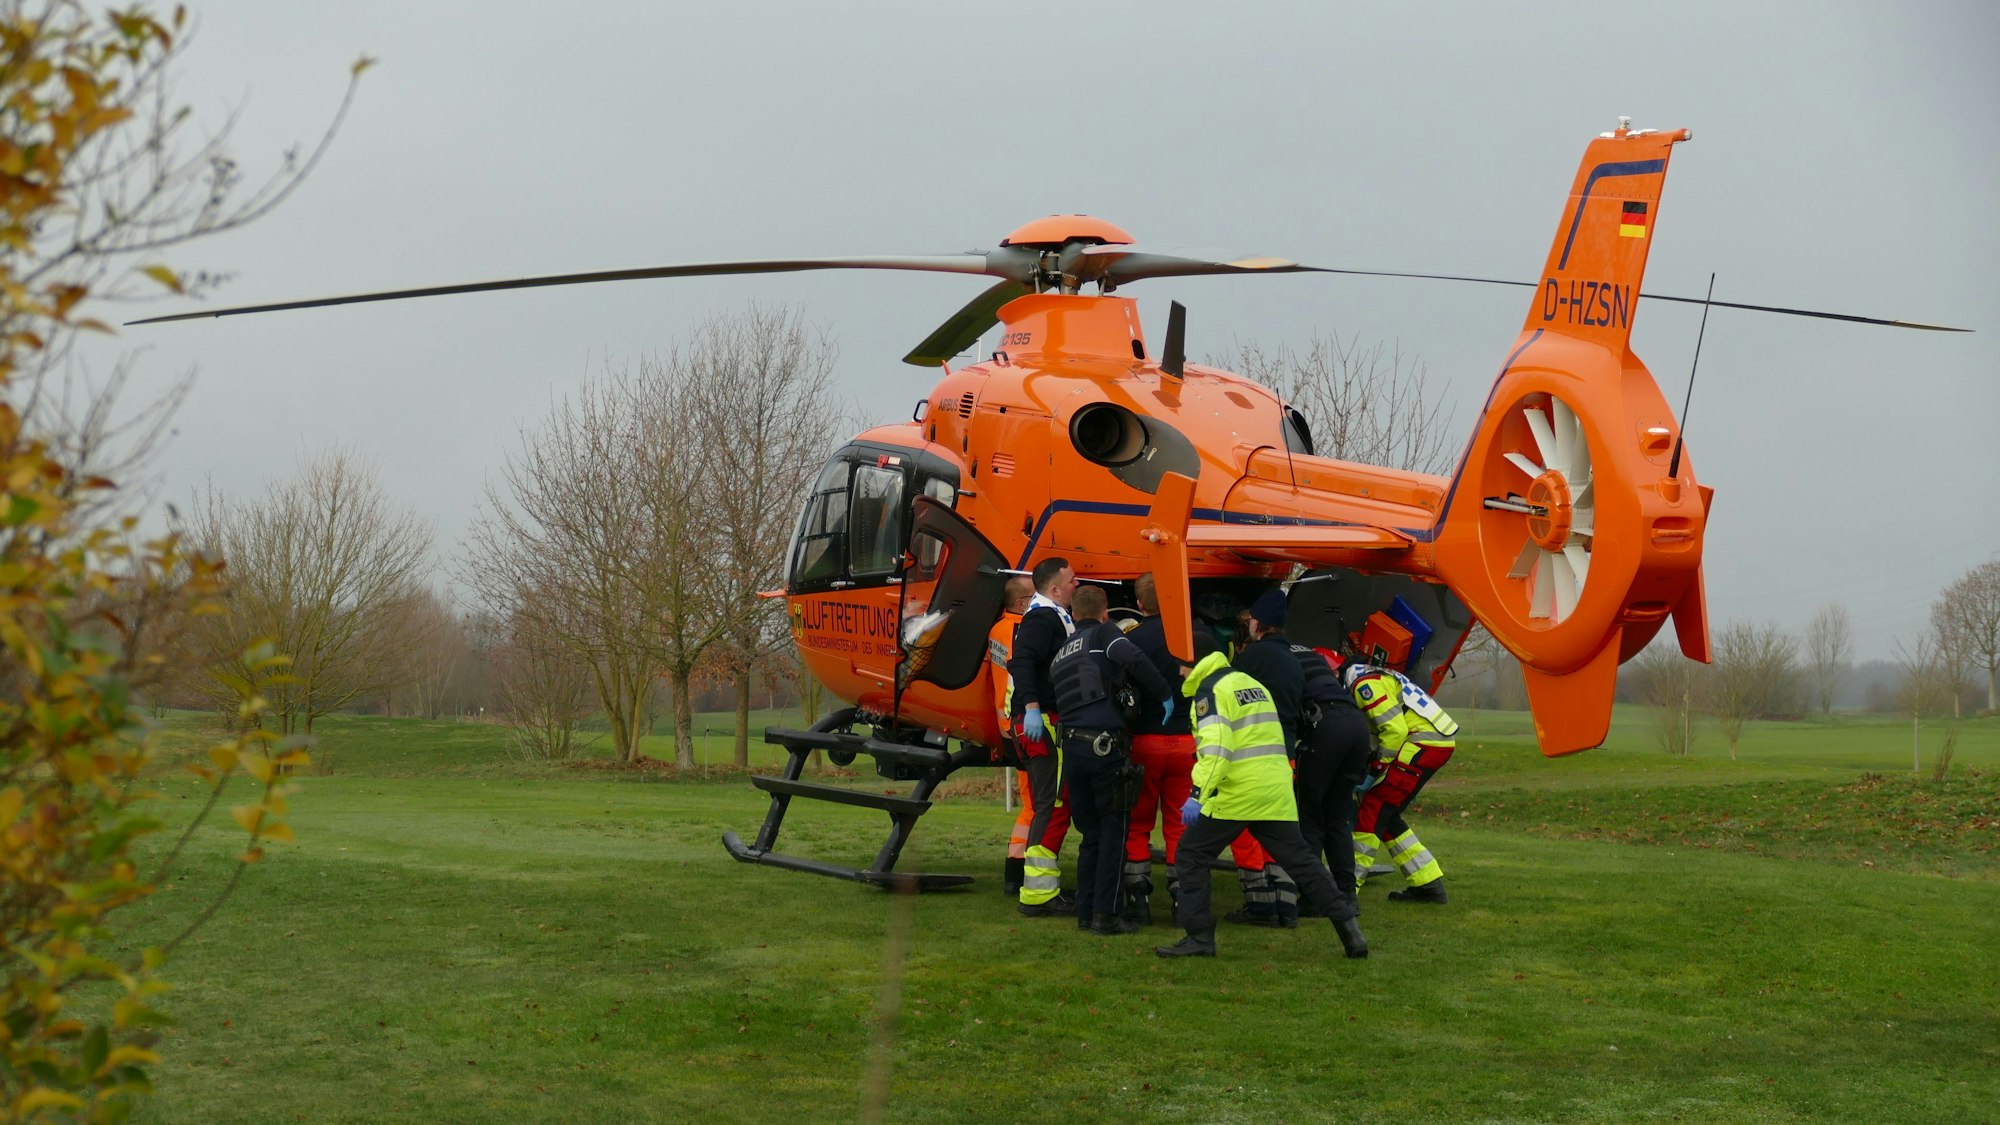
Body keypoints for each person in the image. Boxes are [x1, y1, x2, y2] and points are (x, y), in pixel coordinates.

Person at [1156, 632, 1368, 960]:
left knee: (1190, 854)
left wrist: (1197, 794)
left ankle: (1199, 936)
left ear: (1194, 661)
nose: (1179, 672)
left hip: (1238, 792)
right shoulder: (1249, 683)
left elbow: (1216, 749)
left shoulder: (1211, 690)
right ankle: (1350, 931)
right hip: (1274, 790)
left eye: (1181, 665)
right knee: (1303, 863)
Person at [1047, 585, 1172, 935]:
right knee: (1113, 831)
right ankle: (1107, 915)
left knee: (1090, 835)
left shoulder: (1061, 652)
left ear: (1073, 614)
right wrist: (1164, 693)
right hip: (1104, 748)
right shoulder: (1105, 634)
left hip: (1072, 750)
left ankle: (1086, 913)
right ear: (1105, 613)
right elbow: (1132, 658)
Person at [1221, 587, 1310, 928]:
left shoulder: (1251, 658)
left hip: (1253, 758)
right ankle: (1285, 906)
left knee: (1244, 829)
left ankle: (1259, 905)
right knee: (1279, 832)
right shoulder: (1294, 662)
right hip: (1284, 759)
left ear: (1258, 624)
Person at [1120, 574, 1200, 925]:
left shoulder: (1131, 639)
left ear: (1139, 604)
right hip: (1187, 742)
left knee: (1137, 822)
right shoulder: (1194, 636)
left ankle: (1138, 898)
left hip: (1146, 741)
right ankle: (1183, 900)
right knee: (1180, 825)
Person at [1346, 661, 1459, 904]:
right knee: (1386, 815)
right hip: (1432, 742)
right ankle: (1427, 883)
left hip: (1422, 742)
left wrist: (1376, 769)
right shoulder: (1375, 675)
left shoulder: (1363, 684)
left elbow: (1394, 731)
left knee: (1374, 808)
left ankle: (1347, 887)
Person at [1005, 556, 1079, 917]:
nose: (1077, 584)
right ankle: (1039, 893)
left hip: (1037, 719)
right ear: (1054, 588)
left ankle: (1040, 888)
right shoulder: (1043, 618)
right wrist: (1033, 707)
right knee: (1053, 804)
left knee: (1048, 803)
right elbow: (1021, 662)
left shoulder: (1051, 615)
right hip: (1042, 721)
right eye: (1072, 579)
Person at [1291, 645, 1373, 915]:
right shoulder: (1313, 657)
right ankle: (1347, 894)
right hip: (1356, 727)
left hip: (1325, 727)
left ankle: (1313, 896)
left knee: (1309, 815)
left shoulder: (1273, 658)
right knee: (1338, 818)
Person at [988, 576, 1046, 896]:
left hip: (1008, 727)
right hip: (1023, 727)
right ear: (1023, 603)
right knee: (1036, 804)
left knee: (1031, 801)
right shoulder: (1022, 632)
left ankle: (1016, 868)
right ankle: (1020, 870)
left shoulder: (998, 629)